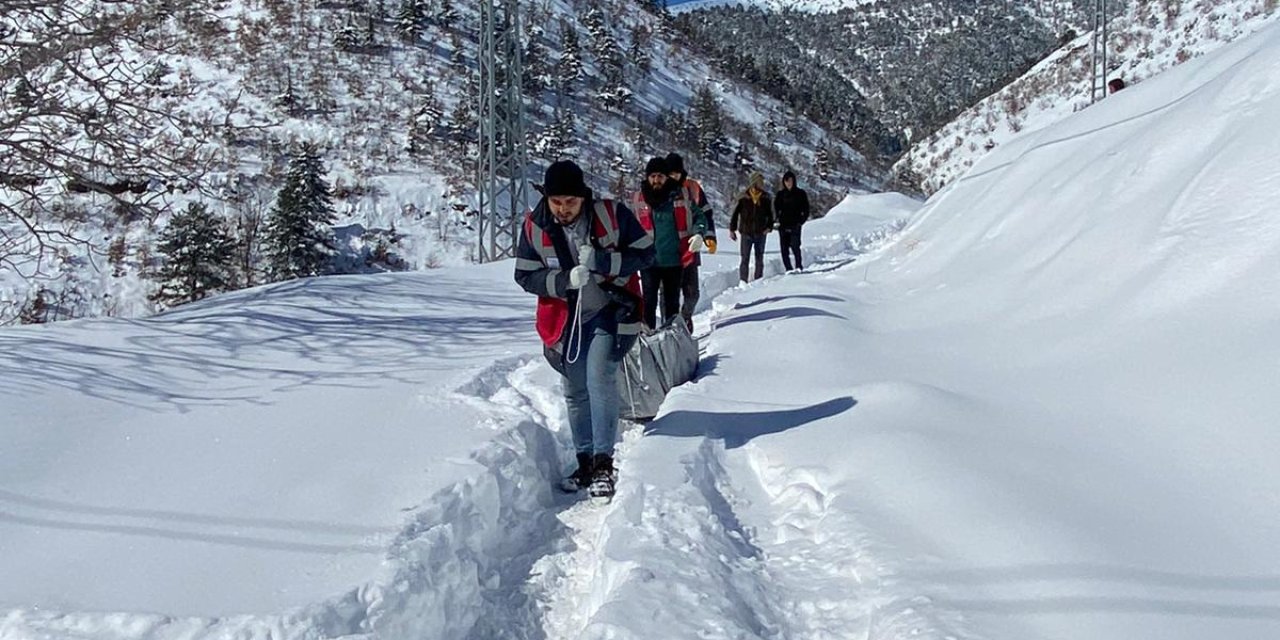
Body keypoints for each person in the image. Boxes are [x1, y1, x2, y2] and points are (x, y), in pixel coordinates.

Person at [514, 160, 655, 498]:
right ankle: (585, 460)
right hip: (565, 321)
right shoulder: (535, 226)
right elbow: (525, 275)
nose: (563, 209)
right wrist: (563, 280)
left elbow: (645, 255)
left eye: (571, 202)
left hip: (608, 312)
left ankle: (604, 463)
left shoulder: (611, 215)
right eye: (556, 202)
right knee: (574, 389)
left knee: (599, 378)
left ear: (584, 197)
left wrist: (603, 263)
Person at [631, 156, 708, 330]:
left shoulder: (681, 195)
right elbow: (629, 227)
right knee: (648, 304)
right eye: (652, 176)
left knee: (672, 305)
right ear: (647, 177)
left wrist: (699, 234)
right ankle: (649, 337)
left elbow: (700, 217)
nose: (656, 180)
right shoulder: (638, 199)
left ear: (666, 177)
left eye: (660, 176)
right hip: (648, 262)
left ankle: (670, 337)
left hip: (674, 260)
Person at [665, 152, 716, 332]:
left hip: (690, 246)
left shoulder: (692, 187)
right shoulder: (658, 190)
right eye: (670, 173)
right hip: (667, 251)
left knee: (692, 293)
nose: (674, 176)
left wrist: (709, 235)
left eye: (676, 173)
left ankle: (685, 316)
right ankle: (669, 330)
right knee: (668, 296)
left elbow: (706, 213)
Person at [729, 172, 773, 284]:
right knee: (745, 259)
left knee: (759, 258)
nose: (762, 183)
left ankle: (758, 281)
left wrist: (769, 227)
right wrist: (732, 229)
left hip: (760, 232)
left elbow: (770, 215)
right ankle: (743, 282)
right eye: (759, 181)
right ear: (754, 182)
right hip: (746, 232)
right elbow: (735, 214)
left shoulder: (765, 197)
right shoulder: (744, 197)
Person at [773, 170, 810, 272]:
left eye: (790, 181)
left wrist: (801, 221)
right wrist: (776, 220)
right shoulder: (780, 195)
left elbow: (806, 209)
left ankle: (798, 266)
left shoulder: (800, 194)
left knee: (795, 247)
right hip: (783, 225)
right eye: (786, 181)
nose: (789, 183)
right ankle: (788, 269)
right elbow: (776, 209)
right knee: (784, 249)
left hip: (795, 224)